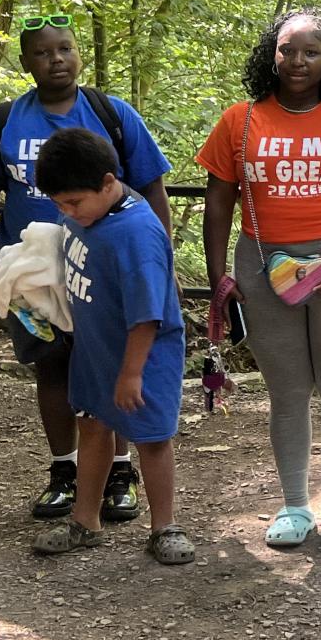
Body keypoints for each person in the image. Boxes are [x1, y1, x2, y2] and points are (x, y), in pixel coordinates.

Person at [199, 9, 321, 549]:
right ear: (273, 53)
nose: (298, 61)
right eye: (288, 49)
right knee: (286, 394)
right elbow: (218, 201)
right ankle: (293, 506)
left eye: (312, 52)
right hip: (261, 268)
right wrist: (218, 275)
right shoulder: (240, 120)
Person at [0, 14, 172, 522]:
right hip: (34, 275)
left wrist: (160, 261)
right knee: (52, 367)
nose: (56, 59)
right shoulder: (6, 120)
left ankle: (120, 475)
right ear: (26, 63)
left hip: (102, 268)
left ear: (78, 53)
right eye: (42, 53)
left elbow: (150, 187)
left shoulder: (111, 113)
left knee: (110, 364)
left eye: (64, 48)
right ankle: (65, 471)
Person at [29, 129, 192, 564]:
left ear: (107, 183)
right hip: (95, 349)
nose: (67, 212)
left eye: (73, 203)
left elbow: (148, 315)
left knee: (152, 437)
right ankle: (85, 521)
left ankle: (164, 527)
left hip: (144, 357)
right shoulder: (85, 217)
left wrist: (132, 372)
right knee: (93, 425)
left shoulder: (136, 234)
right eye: (59, 204)